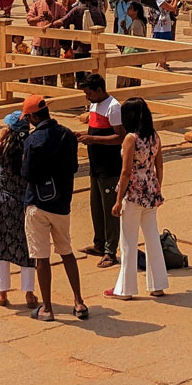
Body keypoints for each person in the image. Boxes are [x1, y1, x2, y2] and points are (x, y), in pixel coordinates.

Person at [20, 95, 87, 320]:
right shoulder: (67, 135)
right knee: (66, 251)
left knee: (41, 257)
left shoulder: (32, 141)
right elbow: (75, 167)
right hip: (61, 202)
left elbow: (27, 173)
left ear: (33, 116)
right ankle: (78, 301)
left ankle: (47, 308)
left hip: (37, 202)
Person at [107, 97, 169, 301]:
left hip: (133, 192)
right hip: (150, 189)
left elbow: (125, 172)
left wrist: (118, 199)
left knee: (128, 240)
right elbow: (159, 165)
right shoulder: (154, 136)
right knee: (152, 237)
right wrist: (156, 187)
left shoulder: (131, 139)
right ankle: (157, 285)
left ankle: (125, 289)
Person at [0, 111, 38, 309]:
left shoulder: (4, 146)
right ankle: (29, 294)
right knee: (27, 247)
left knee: (1, 246)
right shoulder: (31, 145)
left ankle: (2, 292)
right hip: (25, 202)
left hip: (2, 203)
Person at [77, 73, 124, 267]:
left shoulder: (113, 107)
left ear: (99, 90)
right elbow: (96, 130)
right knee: (96, 207)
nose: (88, 97)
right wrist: (85, 135)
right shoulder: (95, 104)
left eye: (89, 93)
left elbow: (120, 137)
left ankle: (110, 250)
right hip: (95, 165)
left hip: (109, 166)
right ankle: (99, 243)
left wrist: (93, 139)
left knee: (109, 210)